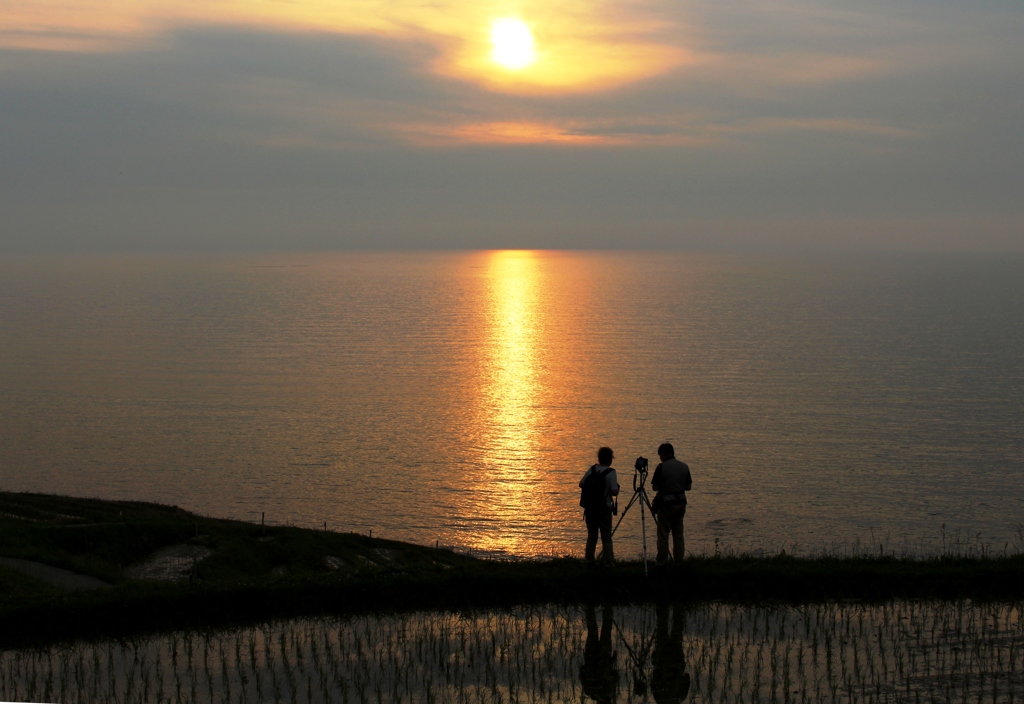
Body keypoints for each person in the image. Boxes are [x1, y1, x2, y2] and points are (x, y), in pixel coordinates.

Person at [651, 442, 692, 564]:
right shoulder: (684, 466)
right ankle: (679, 560)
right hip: (681, 503)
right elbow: (688, 487)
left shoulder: (661, 467)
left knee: (663, 534)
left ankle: (662, 561)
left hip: (666, 505)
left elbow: (655, 487)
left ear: (662, 454)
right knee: (678, 534)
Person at [579, 446, 619, 564]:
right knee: (606, 536)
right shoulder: (611, 472)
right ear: (610, 459)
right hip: (604, 508)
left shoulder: (592, 469)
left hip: (590, 508)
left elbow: (581, 484)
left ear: (599, 458)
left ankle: (589, 559)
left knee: (592, 535)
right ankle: (608, 561)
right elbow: (614, 492)